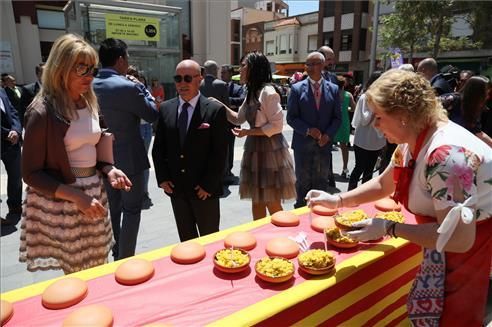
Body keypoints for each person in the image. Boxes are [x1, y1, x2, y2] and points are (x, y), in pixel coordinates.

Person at [307, 69, 492, 326]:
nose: (374, 124)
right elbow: (384, 183)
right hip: (447, 246)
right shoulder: (414, 137)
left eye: (379, 117)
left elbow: (459, 239)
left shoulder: (446, 155)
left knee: (455, 318)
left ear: (403, 116)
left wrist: (389, 228)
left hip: (464, 255)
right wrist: (338, 200)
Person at [19, 34, 132, 274]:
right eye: (81, 68)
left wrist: (110, 168)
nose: (89, 76)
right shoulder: (41, 112)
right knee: (77, 270)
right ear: (61, 68)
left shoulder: (89, 101)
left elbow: (96, 143)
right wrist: (76, 196)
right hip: (64, 198)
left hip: (93, 191)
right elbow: (30, 173)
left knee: (98, 260)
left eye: (92, 68)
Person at [93, 38, 159, 261]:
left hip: (101, 161)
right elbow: (151, 114)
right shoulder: (128, 86)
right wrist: (142, 88)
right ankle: (125, 258)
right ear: (121, 59)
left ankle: (116, 251)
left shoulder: (88, 84)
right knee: (131, 211)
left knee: (113, 210)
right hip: (130, 160)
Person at [211, 52, 296, 220]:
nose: (240, 69)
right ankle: (262, 238)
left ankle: (281, 238)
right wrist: (218, 105)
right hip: (255, 150)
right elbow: (238, 118)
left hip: (270, 151)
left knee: (271, 201)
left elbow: (277, 126)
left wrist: (248, 132)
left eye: (243, 66)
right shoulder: (252, 91)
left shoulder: (268, 92)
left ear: (253, 69)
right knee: (257, 201)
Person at [152, 59, 228, 241]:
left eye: (187, 78)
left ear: (199, 79)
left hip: (204, 191)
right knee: (187, 242)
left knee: (210, 241)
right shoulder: (166, 109)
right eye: (178, 79)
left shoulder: (215, 110)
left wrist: (208, 185)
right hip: (177, 191)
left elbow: (220, 152)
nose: (182, 83)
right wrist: (162, 179)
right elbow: (158, 148)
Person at [287, 51, 341, 208]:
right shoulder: (296, 89)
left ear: (323, 65)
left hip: (323, 146)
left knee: (321, 183)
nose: (308, 67)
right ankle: (301, 212)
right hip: (302, 146)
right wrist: (308, 130)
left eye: (313, 64)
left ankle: (319, 214)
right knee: (302, 184)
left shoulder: (333, 89)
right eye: (307, 64)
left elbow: (337, 118)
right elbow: (291, 118)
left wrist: (328, 135)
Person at [348, 71, 386, 191]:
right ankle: (351, 193)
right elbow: (364, 120)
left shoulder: (382, 98)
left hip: (376, 141)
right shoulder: (365, 97)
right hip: (363, 140)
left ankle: (363, 195)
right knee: (359, 168)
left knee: (369, 171)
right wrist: (376, 109)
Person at [441, 76, 492, 148]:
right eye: (486, 93)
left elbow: (478, 132)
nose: (487, 97)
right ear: (476, 92)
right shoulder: (451, 100)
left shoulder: (474, 109)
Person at [221, 64, 246, 183]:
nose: (222, 74)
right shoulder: (217, 86)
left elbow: (241, 101)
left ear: (231, 74)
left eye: (224, 72)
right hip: (218, 123)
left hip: (232, 123)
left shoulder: (238, 88)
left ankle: (228, 170)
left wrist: (225, 101)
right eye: (221, 72)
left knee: (230, 147)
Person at [1, 88, 22, 223]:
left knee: (16, 176)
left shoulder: (2, 91)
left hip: (11, 142)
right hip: (6, 137)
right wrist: (7, 133)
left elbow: (13, 111)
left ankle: (15, 206)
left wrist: (15, 130)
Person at [333, 75, 356, 179]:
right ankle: (345, 168)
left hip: (332, 122)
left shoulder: (332, 94)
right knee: (344, 146)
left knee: (327, 146)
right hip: (344, 122)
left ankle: (328, 170)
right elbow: (353, 109)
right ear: (344, 84)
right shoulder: (348, 95)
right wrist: (347, 108)